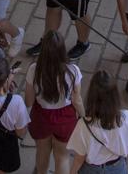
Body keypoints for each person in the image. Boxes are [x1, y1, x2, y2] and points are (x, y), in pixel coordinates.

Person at [24, 30, 84, 174]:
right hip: (65, 118)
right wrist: (84, 117)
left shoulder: (34, 69)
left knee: (42, 153)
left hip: (41, 117)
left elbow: (28, 101)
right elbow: (77, 100)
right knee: (62, 157)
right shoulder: (73, 71)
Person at [69, 70, 128, 174]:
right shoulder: (126, 118)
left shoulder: (83, 125)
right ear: (115, 96)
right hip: (118, 167)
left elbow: (79, 158)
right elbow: (127, 146)